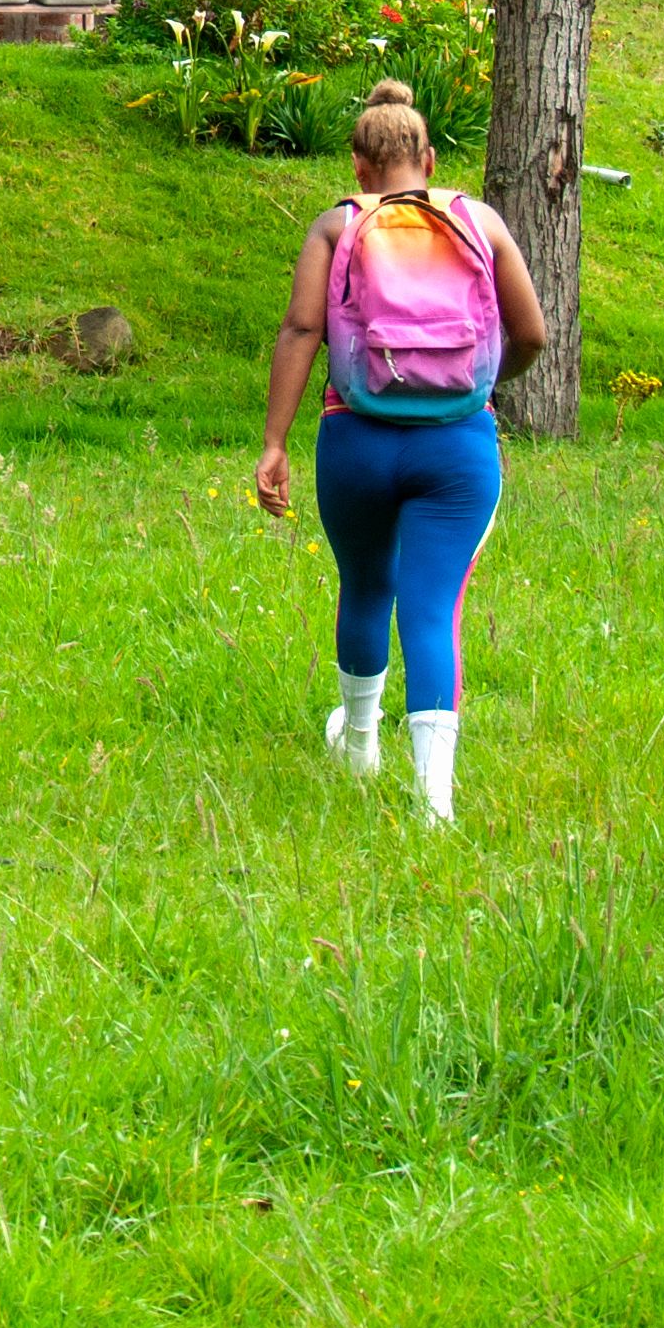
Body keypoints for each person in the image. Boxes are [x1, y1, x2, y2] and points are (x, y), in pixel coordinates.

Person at [251, 78, 548, 824]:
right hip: (457, 448)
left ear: (358, 166)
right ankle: (434, 803)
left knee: (364, 587)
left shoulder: (336, 226)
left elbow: (301, 330)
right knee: (432, 606)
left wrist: (275, 442)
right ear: (431, 157)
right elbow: (533, 335)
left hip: (355, 440)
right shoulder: (480, 221)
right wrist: (481, 382)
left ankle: (359, 746)